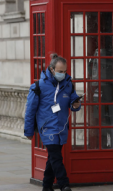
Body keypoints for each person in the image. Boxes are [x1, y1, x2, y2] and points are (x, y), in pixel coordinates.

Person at [24, 54, 82, 191]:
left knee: (52, 159)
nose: (62, 74)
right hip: (47, 128)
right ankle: (64, 184)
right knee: (56, 157)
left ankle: (47, 186)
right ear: (51, 69)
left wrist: (76, 104)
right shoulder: (39, 86)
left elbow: (74, 101)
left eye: (64, 71)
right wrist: (28, 131)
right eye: (60, 71)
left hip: (61, 127)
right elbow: (30, 110)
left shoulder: (68, 84)